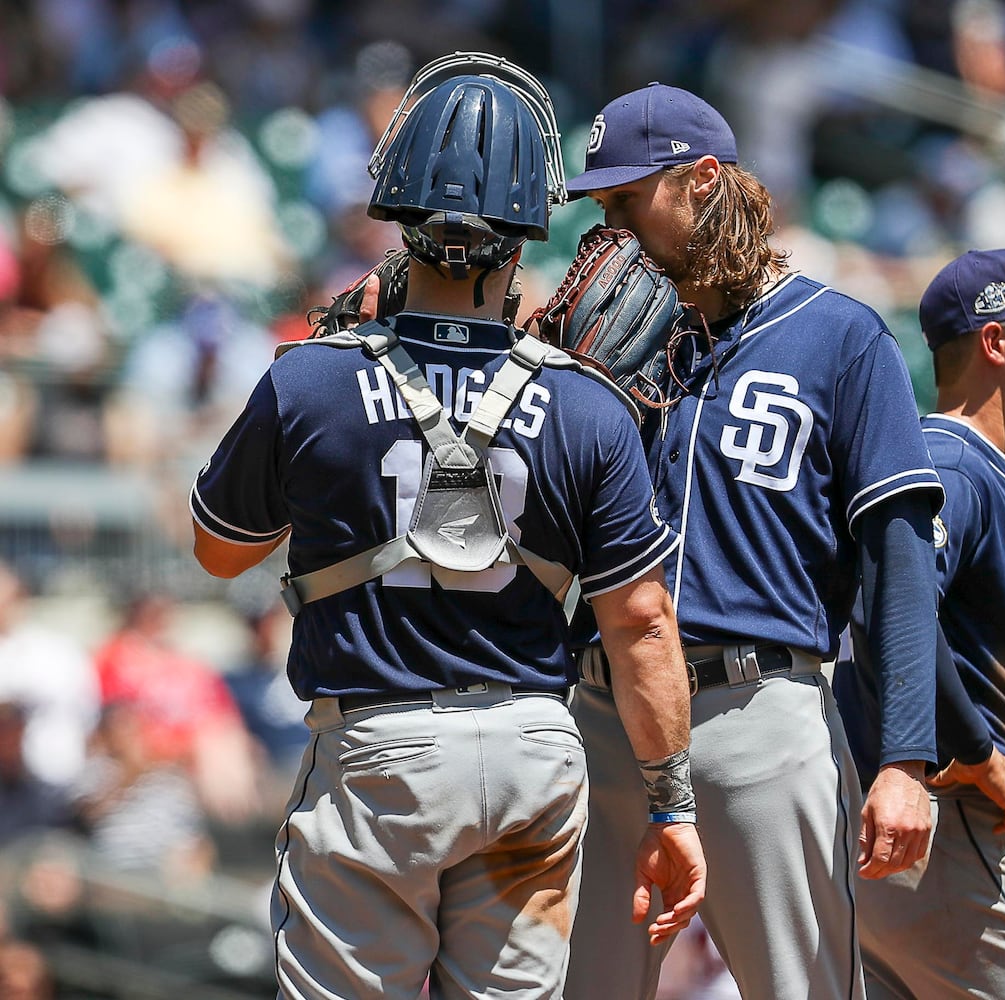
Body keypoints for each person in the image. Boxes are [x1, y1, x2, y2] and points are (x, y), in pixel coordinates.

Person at [188, 55, 704, 999]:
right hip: (531, 755)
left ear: (397, 216)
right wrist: (673, 803)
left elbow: (219, 548)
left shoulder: (309, 378)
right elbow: (642, 624)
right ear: (528, 232)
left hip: (377, 750)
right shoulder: (591, 407)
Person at [563, 82, 944, 1000]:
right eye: (599, 205)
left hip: (756, 715)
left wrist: (903, 760)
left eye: (627, 200)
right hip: (604, 721)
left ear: (701, 182)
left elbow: (900, 561)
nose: (607, 230)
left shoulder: (841, 338)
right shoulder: (602, 350)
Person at [835, 248, 1005, 999]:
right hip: (952, 826)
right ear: (997, 342)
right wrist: (975, 746)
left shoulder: (964, 464)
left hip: (933, 832)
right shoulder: (949, 464)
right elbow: (890, 604)